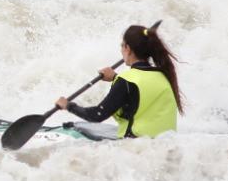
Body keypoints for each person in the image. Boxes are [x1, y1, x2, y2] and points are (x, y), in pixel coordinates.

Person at [54, 24, 182, 138]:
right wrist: (115, 77)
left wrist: (69, 106)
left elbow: (97, 115)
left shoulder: (126, 81)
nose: (121, 50)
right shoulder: (163, 75)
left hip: (136, 149)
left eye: (122, 45)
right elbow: (140, 90)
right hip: (165, 146)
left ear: (128, 48)